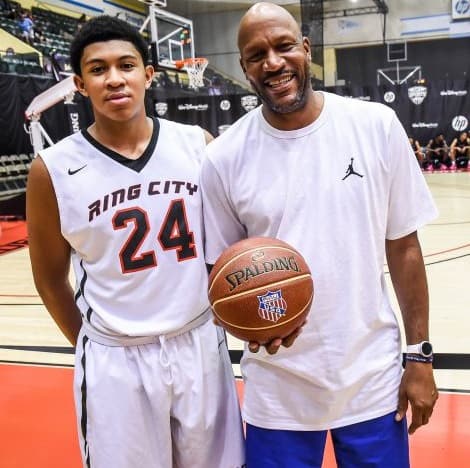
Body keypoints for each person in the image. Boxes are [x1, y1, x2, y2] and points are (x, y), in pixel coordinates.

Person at [200, 3, 439, 467]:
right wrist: (250, 324)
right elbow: (220, 273)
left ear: (306, 50)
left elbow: (405, 247)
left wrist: (420, 356)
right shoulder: (223, 158)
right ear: (244, 67)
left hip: (372, 378)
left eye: (284, 46)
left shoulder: (374, 126)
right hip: (277, 388)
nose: (273, 62)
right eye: (256, 54)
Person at [26, 15, 244, 468]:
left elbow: (227, 246)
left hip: (200, 344)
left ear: (148, 75)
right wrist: (95, 344)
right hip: (116, 360)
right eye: (98, 69)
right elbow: (50, 280)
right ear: (80, 85)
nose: (114, 79)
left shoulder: (197, 145)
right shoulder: (52, 169)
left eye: (126, 65)